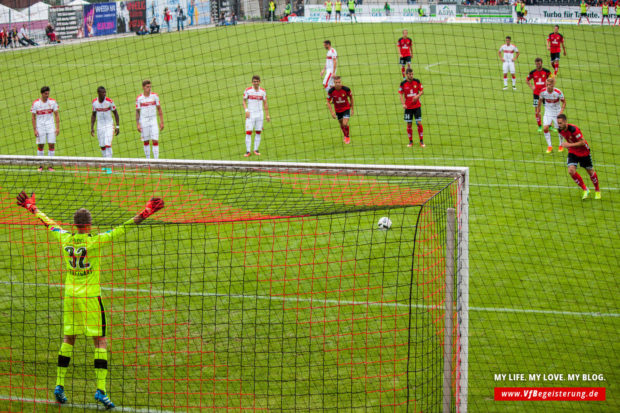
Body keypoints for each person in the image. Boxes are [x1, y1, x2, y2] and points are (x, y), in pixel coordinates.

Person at [15, 191, 165, 409]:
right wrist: (146, 212)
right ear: (90, 224)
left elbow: (49, 223)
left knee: (68, 339)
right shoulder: (95, 242)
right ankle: (101, 390)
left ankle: (59, 385)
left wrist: (32, 208)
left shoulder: (64, 237)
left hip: (70, 296)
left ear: (75, 225)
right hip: (90, 297)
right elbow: (123, 228)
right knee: (100, 341)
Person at [557, 115, 601, 200]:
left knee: (590, 172)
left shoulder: (574, 129)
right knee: (571, 171)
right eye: (558, 123)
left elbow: (582, 142)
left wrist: (569, 145)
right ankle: (585, 189)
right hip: (573, 152)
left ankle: (597, 190)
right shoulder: (560, 130)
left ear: (566, 122)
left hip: (584, 152)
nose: (559, 125)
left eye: (560, 123)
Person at [31, 86, 59, 172]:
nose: (47, 95)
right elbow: (33, 117)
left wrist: (57, 128)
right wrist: (35, 129)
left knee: (51, 145)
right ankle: (41, 165)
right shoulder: (36, 103)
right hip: (40, 128)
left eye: (48, 93)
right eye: (45, 94)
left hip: (51, 127)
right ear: (42, 94)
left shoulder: (53, 102)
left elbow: (56, 114)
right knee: (41, 145)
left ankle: (50, 165)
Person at [242, 75, 270, 157]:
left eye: (257, 81)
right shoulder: (248, 91)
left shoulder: (263, 91)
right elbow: (244, 101)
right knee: (248, 132)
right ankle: (248, 151)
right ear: (252, 82)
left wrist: (267, 115)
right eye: (254, 81)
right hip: (250, 114)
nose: (256, 83)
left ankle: (256, 149)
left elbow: (265, 103)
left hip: (260, 115)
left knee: (258, 132)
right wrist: (246, 110)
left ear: (259, 82)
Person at [136, 80, 164, 159]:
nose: (149, 88)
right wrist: (138, 124)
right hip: (144, 121)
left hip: (153, 121)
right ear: (143, 87)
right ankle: (148, 160)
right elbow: (137, 111)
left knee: (155, 140)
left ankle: (156, 161)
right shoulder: (139, 98)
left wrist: (161, 122)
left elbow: (159, 109)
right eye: (147, 87)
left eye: (150, 87)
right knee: (146, 141)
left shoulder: (155, 96)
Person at [537, 77, 566, 153]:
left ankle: (561, 145)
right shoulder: (543, 91)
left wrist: (561, 111)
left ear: (553, 85)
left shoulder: (558, 92)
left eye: (549, 84)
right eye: (547, 84)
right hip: (548, 112)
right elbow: (540, 101)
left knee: (560, 130)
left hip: (557, 112)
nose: (548, 86)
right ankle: (549, 146)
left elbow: (564, 102)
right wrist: (538, 110)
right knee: (545, 128)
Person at [398, 68, 424, 148]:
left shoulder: (417, 81)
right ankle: (410, 141)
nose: (412, 75)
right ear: (407, 75)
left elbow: (422, 91)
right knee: (409, 124)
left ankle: (421, 141)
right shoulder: (403, 83)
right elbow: (400, 94)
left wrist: (417, 96)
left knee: (419, 123)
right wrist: (403, 104)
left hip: (417, 107)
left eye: (412, 74)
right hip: (408, 108)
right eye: (410, 74)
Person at [91, 87, 120, 158]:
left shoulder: (109, 101)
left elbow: (116, 113)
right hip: (100, 126)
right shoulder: (94, 102)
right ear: (98, 93)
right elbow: (93, 115)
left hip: (109, 125)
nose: (104, 94)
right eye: (103, 93)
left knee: (108, 144)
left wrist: (117, 126)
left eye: (105, 92)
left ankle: (109, 166)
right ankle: (105, 163)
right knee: (102, 146)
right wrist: (92, 127)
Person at [525, 58, 551, 132]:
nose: (538, 65)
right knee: (537, 110)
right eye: (536, 63)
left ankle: (550, 126)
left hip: (545, 94)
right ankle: (539, 126)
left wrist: (549, 86)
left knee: (549, 109)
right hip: (536, 94)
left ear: (542, 63)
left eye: (539, 63)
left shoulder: (547, 71)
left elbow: (552, 79)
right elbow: (527, 80)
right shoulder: (533, 72)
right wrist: (532, 87)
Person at [326, 76, 354, 144]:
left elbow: (351, 98)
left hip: (346, 108)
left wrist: (352, 109)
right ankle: (345, 135)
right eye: (336, 82)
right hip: (338, 110)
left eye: (339, 82)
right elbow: (328, 102)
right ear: (334, 83)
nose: (338, 84)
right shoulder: (331, 91)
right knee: (341, 124)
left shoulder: (346, 89)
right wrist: (332, 112)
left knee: (344, 123)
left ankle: (347, 137)